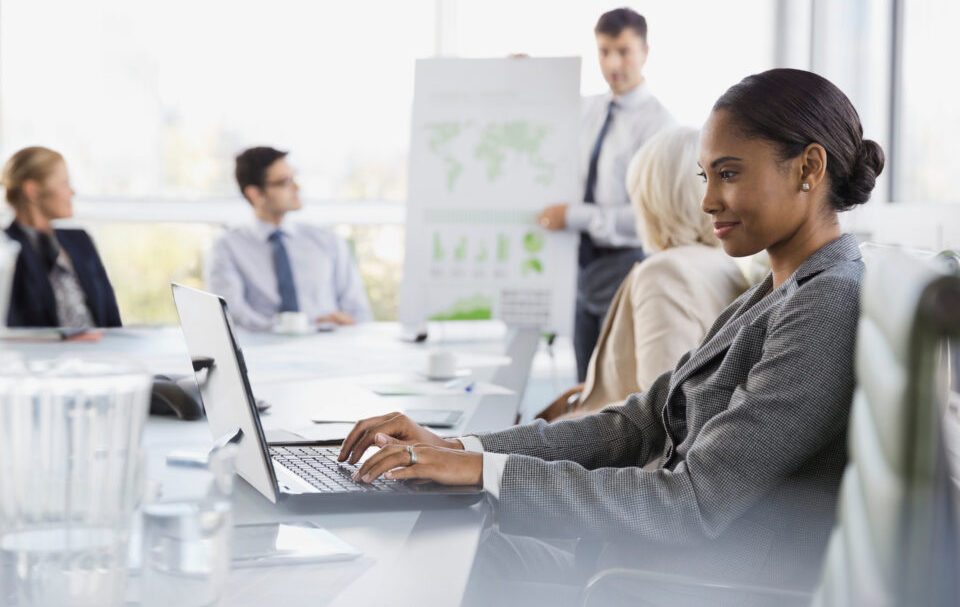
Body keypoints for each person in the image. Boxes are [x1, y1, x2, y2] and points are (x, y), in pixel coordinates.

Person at [339, 68, 886, 597]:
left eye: (729, 173)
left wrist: (481, 472)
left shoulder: (826, 300)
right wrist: (457, 447)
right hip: (625, 565)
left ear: (808, 168)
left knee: (418, 566)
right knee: (406, 545)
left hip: (673, 585)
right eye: (705, 176)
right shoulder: (775, 288)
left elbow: (690, 502)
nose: (707, 200)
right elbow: (638, 423)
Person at [537, 127, 747, 422]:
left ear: (652, 200)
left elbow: (658, 419)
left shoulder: (665, 273)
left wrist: (561, 424)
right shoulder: (722, 263)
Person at [536, 7, 677, 384]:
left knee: (615, 384)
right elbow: (544, 111)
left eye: (623, 51)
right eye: (604, 51)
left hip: (625, 264)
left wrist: (576, 216)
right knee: (584, 383)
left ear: (644, 51)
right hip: (580, 267)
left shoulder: (659, 125)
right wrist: (522, 77)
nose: (613, 63)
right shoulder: (590, 110)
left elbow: (649, 214)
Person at [205, 146, 373, 330]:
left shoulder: (327, 240)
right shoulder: (227, 246)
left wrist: (348, 322)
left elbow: (358, 312)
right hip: (264, 348)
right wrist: (304, 328)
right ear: (255, 194)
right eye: (285, 182)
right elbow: (233, 315)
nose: (297, 187)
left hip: (328, 348)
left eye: (294, 178)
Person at [0, 146, 121, 328]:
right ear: (32, 191)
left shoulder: (80, 241)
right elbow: (13, 326)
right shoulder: (7, 250)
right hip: (44, 356)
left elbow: (112, 318)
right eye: (64, 183)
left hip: (100, 353)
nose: (72, 192)